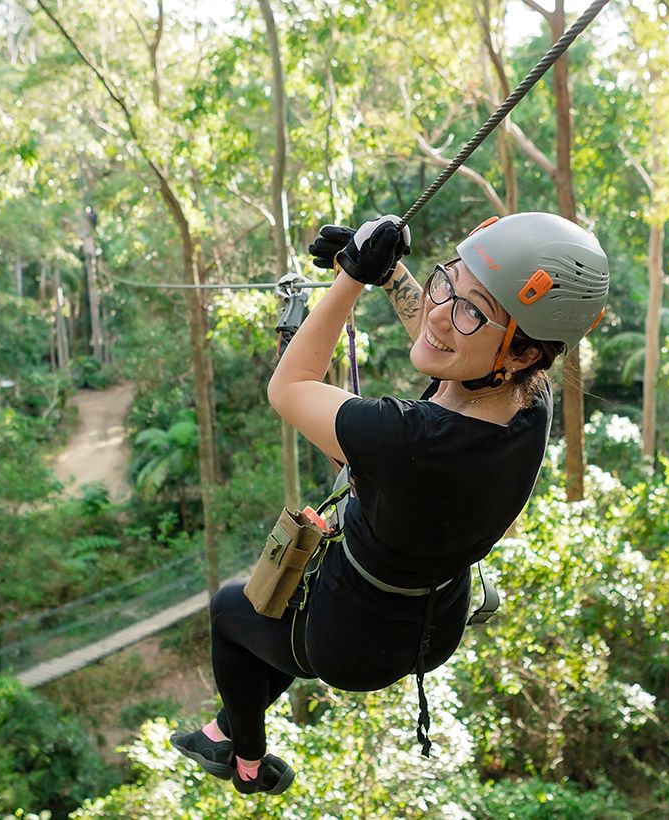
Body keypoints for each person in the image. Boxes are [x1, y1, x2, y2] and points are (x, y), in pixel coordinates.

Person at [171, 212, 610, 795]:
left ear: (524, 353)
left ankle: (247, 762)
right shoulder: (529, 401)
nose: (437, 312)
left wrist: (350, 278)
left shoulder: (409, 439)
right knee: (270, 637)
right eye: (447, 280)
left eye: (471, 310)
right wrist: (389, 274)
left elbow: (288, 386)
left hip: (352, 641)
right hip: (435, 619)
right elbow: (446, 348)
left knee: (232, 613)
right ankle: (225, 728)